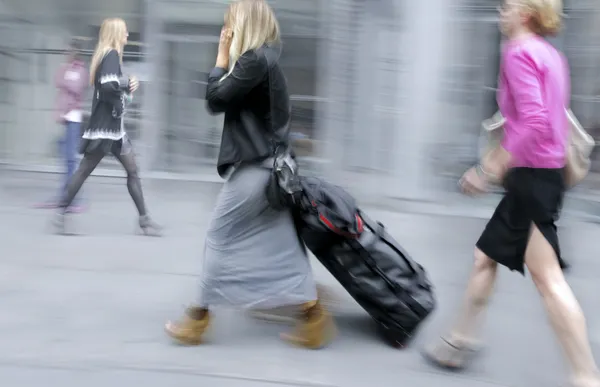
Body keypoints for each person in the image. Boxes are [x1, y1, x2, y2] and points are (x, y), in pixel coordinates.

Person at [423, 1, 600, 386]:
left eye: (507, 6)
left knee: (548, 280)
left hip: (533, 178)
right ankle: (460, 340)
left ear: (525, 13)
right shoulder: (551, 55)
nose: (500, 12)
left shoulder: (519, 54)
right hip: (541, 176)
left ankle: (586, 376)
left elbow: (534, 122)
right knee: (484, 257)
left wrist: (488, 167)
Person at [165, 0, 335, 349]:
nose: (226, 27)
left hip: (257, 168)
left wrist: (220, 56)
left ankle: (198, 317)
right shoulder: (268, 59)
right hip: (272, 169)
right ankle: (313, 317)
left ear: (243, 23)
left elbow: (215, 99)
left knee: (218, 235)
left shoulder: (254, 59)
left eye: (230, 22)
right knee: (282, 243)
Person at [52, 18, 161, 236]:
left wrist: (127, 89)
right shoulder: (110, 54)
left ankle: (145, 220)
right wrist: (128, 83)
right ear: (116, 33)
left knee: (131, 170)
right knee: (85, 171)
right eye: (125, 32)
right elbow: (108, 86)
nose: (127, 35)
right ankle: (60, 214)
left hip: (113, 129)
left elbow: (110, 88)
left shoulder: (107, 55)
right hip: (106, 129)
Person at [35, 39, 88, 212]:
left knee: (71, 159)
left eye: (68, 51)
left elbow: (77, 87)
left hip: (74, 117)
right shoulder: (65, 68)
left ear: (75, 52)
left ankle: (74, 199)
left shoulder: (81, 70)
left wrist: (66, 81)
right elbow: (58, 81)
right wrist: (65, 79)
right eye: (65, 51)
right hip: (65, 116)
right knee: (66, 159)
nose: (66, 54)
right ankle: (65, 196)